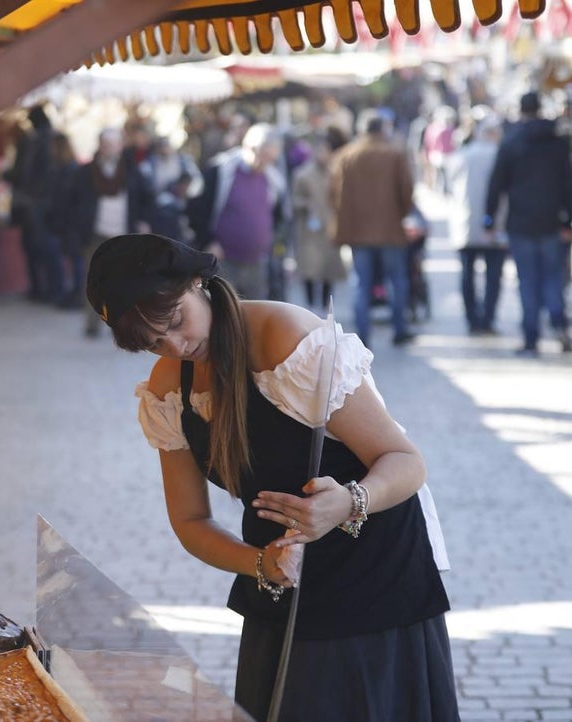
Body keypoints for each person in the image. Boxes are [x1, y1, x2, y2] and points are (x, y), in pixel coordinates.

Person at [85, 233, 458, 722]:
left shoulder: (286, 338)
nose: (176, 345)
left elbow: (405, 461)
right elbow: (191, 520)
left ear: (198, 282)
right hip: (283, 591)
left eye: (176, 320)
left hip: (375, 580)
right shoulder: (167, 388)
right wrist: (261, 562)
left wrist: (348, 501)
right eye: (153, 341)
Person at [485, 90, 572, 356]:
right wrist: (568, 219)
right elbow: (568, 183)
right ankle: (559, 324)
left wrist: (489, 219)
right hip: (552, 222)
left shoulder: (511, 142)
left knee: (527, 280)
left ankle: (531, 336)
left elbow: (496, 183)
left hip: (520, 223)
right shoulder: (558, 142)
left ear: (521, 110)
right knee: (553, 277)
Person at [330, 109, 416, 348]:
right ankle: (399, 328)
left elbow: (334, 195)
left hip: (358, 232)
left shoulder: (345, 156)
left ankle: (362, 333)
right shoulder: (394, 155)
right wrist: (400, 214)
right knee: (396, 280)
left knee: (361, 283)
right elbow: (406, 191)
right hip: (390, 230)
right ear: (382, 130)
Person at [187, 123, 289, 301]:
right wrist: (208, 241)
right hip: (223, 260)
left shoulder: (273, 179)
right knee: (225, 311)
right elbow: (195, 209)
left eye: (270, 159)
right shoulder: (220, 170)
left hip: (257, 262)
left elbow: (278, 216)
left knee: (255, 314)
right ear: (249, 147)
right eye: (262, 156)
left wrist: (273, 244)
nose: (265, 163)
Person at [71, 128, 149, 336]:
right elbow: (71, 201)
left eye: (114, 144)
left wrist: (143, 221)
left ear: (120, 146)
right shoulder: (86, 172)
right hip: (96, 235)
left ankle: (123, 325)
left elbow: (146, 199)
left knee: (125, 282)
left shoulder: (132, 170)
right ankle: (92, 324)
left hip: (124, 236)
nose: (110, 148)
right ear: (100, 146)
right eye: (106, 144)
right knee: (93, 282)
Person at [447, 114, 508, 335]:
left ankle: (472, 319)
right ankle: (488, 318)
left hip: (466, 224)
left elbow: (450, 187)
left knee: (467, 275)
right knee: (493, 276)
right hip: (496, 225)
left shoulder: (461, 155)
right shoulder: (500, 155)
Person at [6, 104, 63, 304]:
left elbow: (24, 174)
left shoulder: (34, 142)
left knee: (38, 248)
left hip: (36, 203)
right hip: (50, 203)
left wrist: (6, 175)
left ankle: (42, 289)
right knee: (48, 249)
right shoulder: (53, 138)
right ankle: (52, 289)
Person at [290, 134, 346, 311]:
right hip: (309, 231)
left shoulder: (335, 173)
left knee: (329, 270)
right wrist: (306, 204)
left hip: (329, 228)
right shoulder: (302, 174)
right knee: (309, 270)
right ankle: (310, 306)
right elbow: (293, 201)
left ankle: (325, 306)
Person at [138, 136, 203, 244]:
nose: (165, 149)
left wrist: (186, 193)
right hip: (156, 215)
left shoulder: (184, 162)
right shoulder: (148, 165)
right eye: (162, 146)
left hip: (180, 216)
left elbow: (198, 183)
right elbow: (141, 193)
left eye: (167, 146)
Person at [45, 132, 84, 308]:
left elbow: (69, 198)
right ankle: (74, 293)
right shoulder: (61, 168)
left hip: (71, 223)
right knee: (73, 259)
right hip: (65, 222)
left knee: (76, 260)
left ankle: (79, 295)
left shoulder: (70, 170)